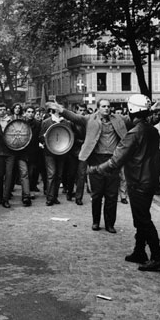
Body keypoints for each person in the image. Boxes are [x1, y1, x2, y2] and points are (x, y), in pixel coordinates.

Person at [89, 94, 160, 272]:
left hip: (138, 180)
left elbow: (115, 161)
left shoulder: (133, 134)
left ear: (132, 111)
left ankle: (157, 256)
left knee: (143, 220)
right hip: (149, 179)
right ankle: (139, 251)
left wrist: (95, 170)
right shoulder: (152, 130)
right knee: (141, 217)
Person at [49, 99, 127, 232]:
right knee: (97, 194)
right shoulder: (90, 119)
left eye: (108, 107)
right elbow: (75, 117)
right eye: (103, 106)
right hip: (96, 159)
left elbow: (133, 118)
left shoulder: (119, 119)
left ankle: (110, 224)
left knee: (112, 195)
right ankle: (96, 222)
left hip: (113, 160)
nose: (106, 109)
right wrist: (61, 110)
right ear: (98, 108)